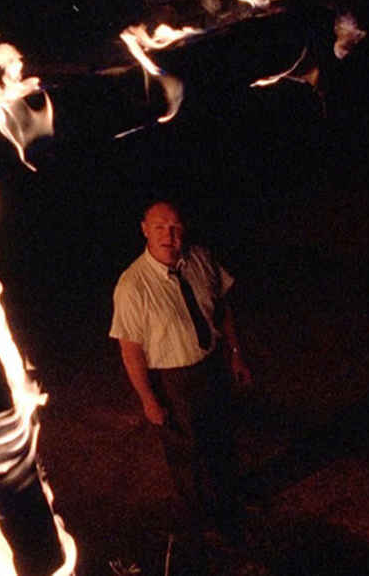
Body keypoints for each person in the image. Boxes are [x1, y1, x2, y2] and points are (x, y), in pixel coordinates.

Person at [109, 200, 252, 542]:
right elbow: (130, 350)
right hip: (172, 380)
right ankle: (205, 523)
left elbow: (222, 310)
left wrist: (235, 355)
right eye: (159, 227)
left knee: (221, 438)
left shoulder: (200, 259)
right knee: (188, 455)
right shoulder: (132, 285)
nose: (168, 236)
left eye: (174, 227)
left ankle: (230, 503)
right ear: (144, 230)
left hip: (211, 366)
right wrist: (148, 399)